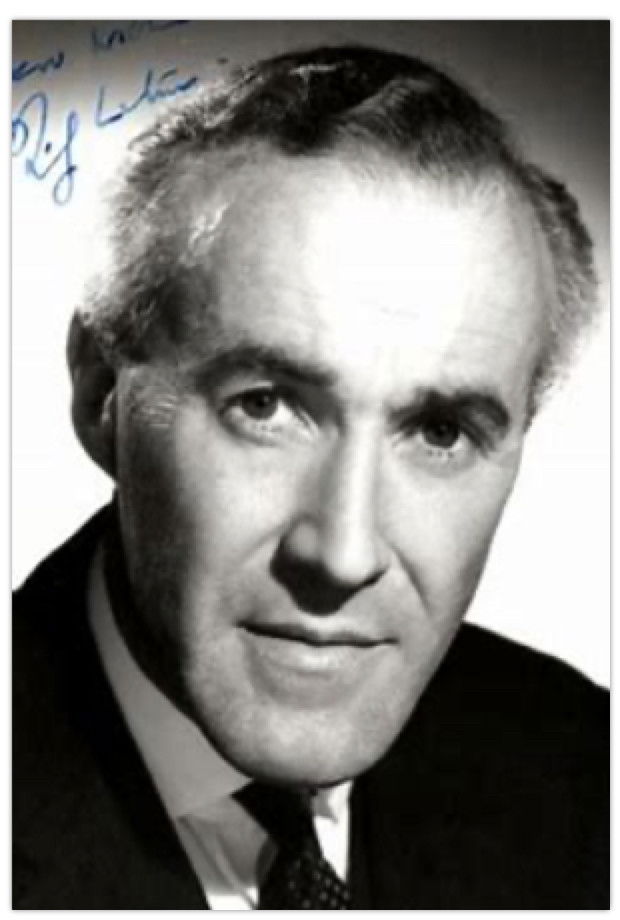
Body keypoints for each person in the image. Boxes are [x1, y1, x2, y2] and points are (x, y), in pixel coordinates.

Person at [13, 44, 609, 909]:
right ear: (102, 393)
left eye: (439, 431)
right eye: (264, 406)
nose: (343, 554)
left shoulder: (584, 775)